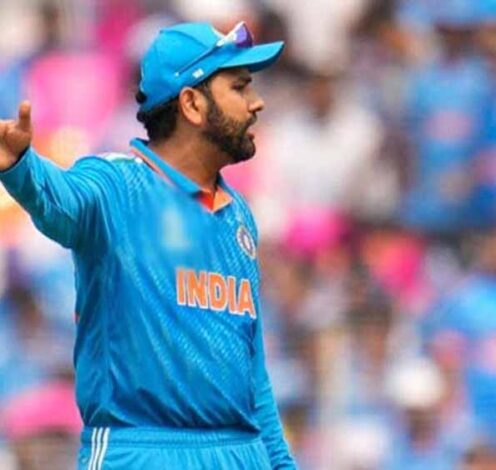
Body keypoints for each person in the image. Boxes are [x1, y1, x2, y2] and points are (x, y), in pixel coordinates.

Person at [0, 21, 296, 469]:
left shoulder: (239, 216)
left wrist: (281, 463)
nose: (256, 102)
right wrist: (21, 167)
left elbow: (253, 374)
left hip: (241, 453)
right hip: (143, 451)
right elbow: (58, 202)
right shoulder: (116, 186)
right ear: (192, 103)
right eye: (239, 87)